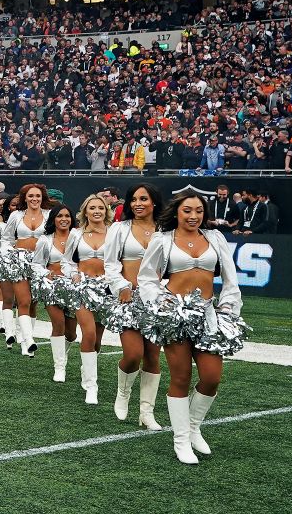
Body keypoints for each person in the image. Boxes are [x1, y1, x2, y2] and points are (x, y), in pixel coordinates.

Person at [138, 193, 245, 464]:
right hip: (176, 314)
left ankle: (194, 426)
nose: (193, 216)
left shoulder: (215, 238)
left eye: (198, 210)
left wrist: (230, 307)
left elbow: (230, 278)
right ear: (177, 212)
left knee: (211, 377)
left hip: (209, 314)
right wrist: (161, 302)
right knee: (181, 377)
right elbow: (147, 278)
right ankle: (181, 440)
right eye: (187, 210)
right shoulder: (162, 239)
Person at [104, 183, 164, 431]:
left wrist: (166, 291)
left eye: (143, 199)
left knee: (153, 355)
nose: (138, 203)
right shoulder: (119, 228)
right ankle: (123, 391)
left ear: (154, 203)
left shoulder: (167, 230)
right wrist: (121, 286)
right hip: (127, 298)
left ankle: (146, 412)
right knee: (133, 355)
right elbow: (110, 264)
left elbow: (170, 266)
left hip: (158, 301)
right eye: (134, 199)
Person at [61, 195, 111, 404]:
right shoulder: (76, 233)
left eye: (101, 207)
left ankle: (86, 366)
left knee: (97, 340)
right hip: (83, 288)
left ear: (106, 211)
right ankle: (91, 386)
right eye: (92, 208)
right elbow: (66, 261)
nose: (97, 211)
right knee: (88, 334)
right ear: (85, 211)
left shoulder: (115, 233)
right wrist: (73, 274)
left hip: (108, 290)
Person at [0, 183, 52, 357]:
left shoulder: (49, 215)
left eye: (37, 196)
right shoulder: (16, 215)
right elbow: (6, 239)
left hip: (40, 264)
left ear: (42, 197)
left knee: (34, 304)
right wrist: (10, 255)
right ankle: (29, 341)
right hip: (19, 261)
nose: (34, 199)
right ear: (25, 198)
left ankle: (23, 337)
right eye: (31, 196)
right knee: (23, 301)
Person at [31, 203, 77, 382]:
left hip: (73, 288)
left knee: (71, 333)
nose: (64, 219)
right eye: (59, 216)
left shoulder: (78, 237)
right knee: (58, 325)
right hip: (52, 288)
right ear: (53, 220)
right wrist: (46, 273)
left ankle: (62, 355)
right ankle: (59, 367)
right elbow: (36, 264)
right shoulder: (45, 240)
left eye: (67, 216)